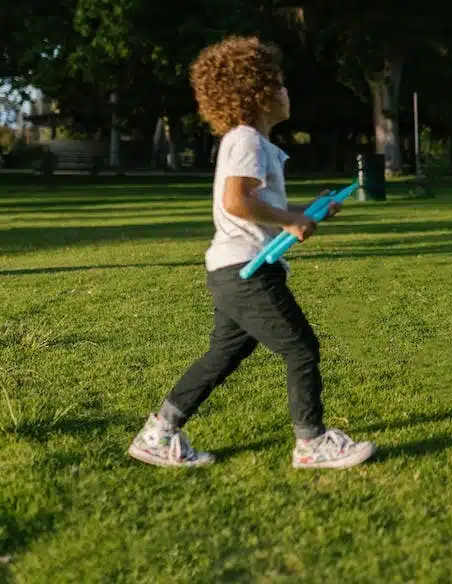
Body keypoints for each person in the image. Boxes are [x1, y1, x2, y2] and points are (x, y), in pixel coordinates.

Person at [128, 36, 375, 469]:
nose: (286, 92)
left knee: (224, 353)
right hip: (247, 269)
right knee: (300, 349)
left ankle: (158, 434)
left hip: (234, 269)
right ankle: (311, 443)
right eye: (278, 85)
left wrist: (310, 210)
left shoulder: (251, 142)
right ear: (256, 94)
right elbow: (236, 201)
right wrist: (288, 221)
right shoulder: (246, 140)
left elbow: (261, 206)